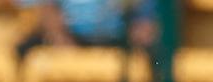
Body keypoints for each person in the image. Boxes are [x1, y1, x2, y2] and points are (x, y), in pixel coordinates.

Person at [17, 0, 158, 57]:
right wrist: (62, 41)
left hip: (124, 42)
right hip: (68, 39)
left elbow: (148, 23)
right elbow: (45, 7)